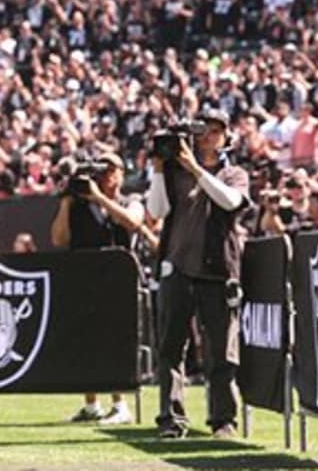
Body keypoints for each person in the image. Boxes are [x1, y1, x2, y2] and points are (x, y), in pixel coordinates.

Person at [146, 109, 250, 439]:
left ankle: (223, 420)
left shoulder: (234, 173)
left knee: (220, 350)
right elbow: (156, 211)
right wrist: (160, 170)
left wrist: (194, 167)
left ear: (226, 137)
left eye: (215, 131)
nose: (208, 136)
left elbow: (230, 201)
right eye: (203, 130)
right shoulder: (176, 172)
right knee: (171, 348)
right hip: (177, 267)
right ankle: (171, 418)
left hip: (218, 270)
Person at [50, 153, 143, 425]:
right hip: (83, 279)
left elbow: (133, 222)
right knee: (85, 342)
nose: (104, 176)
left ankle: (120, 405)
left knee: (113, 342)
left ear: (121, 174)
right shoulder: (79, 206)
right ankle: (91, 405)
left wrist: (100, 199)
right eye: (100, 171)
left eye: (110, 170)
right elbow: (58, 238)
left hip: (117, 283)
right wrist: (67, 201)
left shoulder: (130, 201)